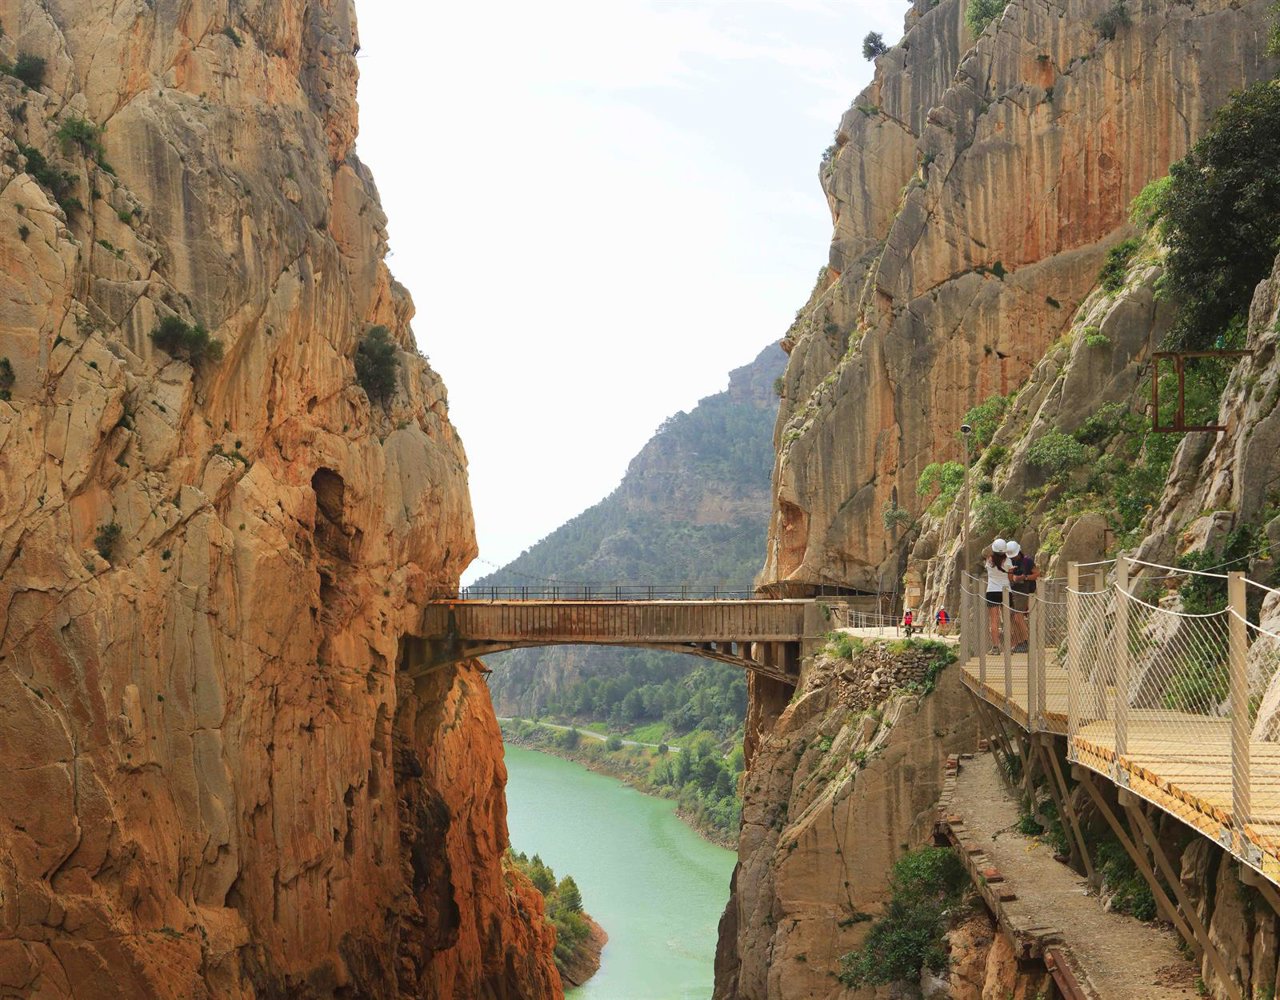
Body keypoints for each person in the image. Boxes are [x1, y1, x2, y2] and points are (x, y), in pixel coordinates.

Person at [1007, 540, 1039, 653]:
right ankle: (1019, 642)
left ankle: (1025, 641)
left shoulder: (1027, 561)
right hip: (1012, 590)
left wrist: (1024, 577)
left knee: (1018, 616)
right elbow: (1009, 577)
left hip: (1023, 591)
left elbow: (1036, 574)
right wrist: (1013, 577)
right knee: (1012, 617)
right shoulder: (1009, 561)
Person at [986, 539, 1010, 651]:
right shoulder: (1008, 561)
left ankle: (996, 646)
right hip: (1006, 590)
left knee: (994, 621)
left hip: (992, 591)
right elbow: (1010, 576)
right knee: (1007, 619)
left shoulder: (989, 561)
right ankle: (1009, 646)